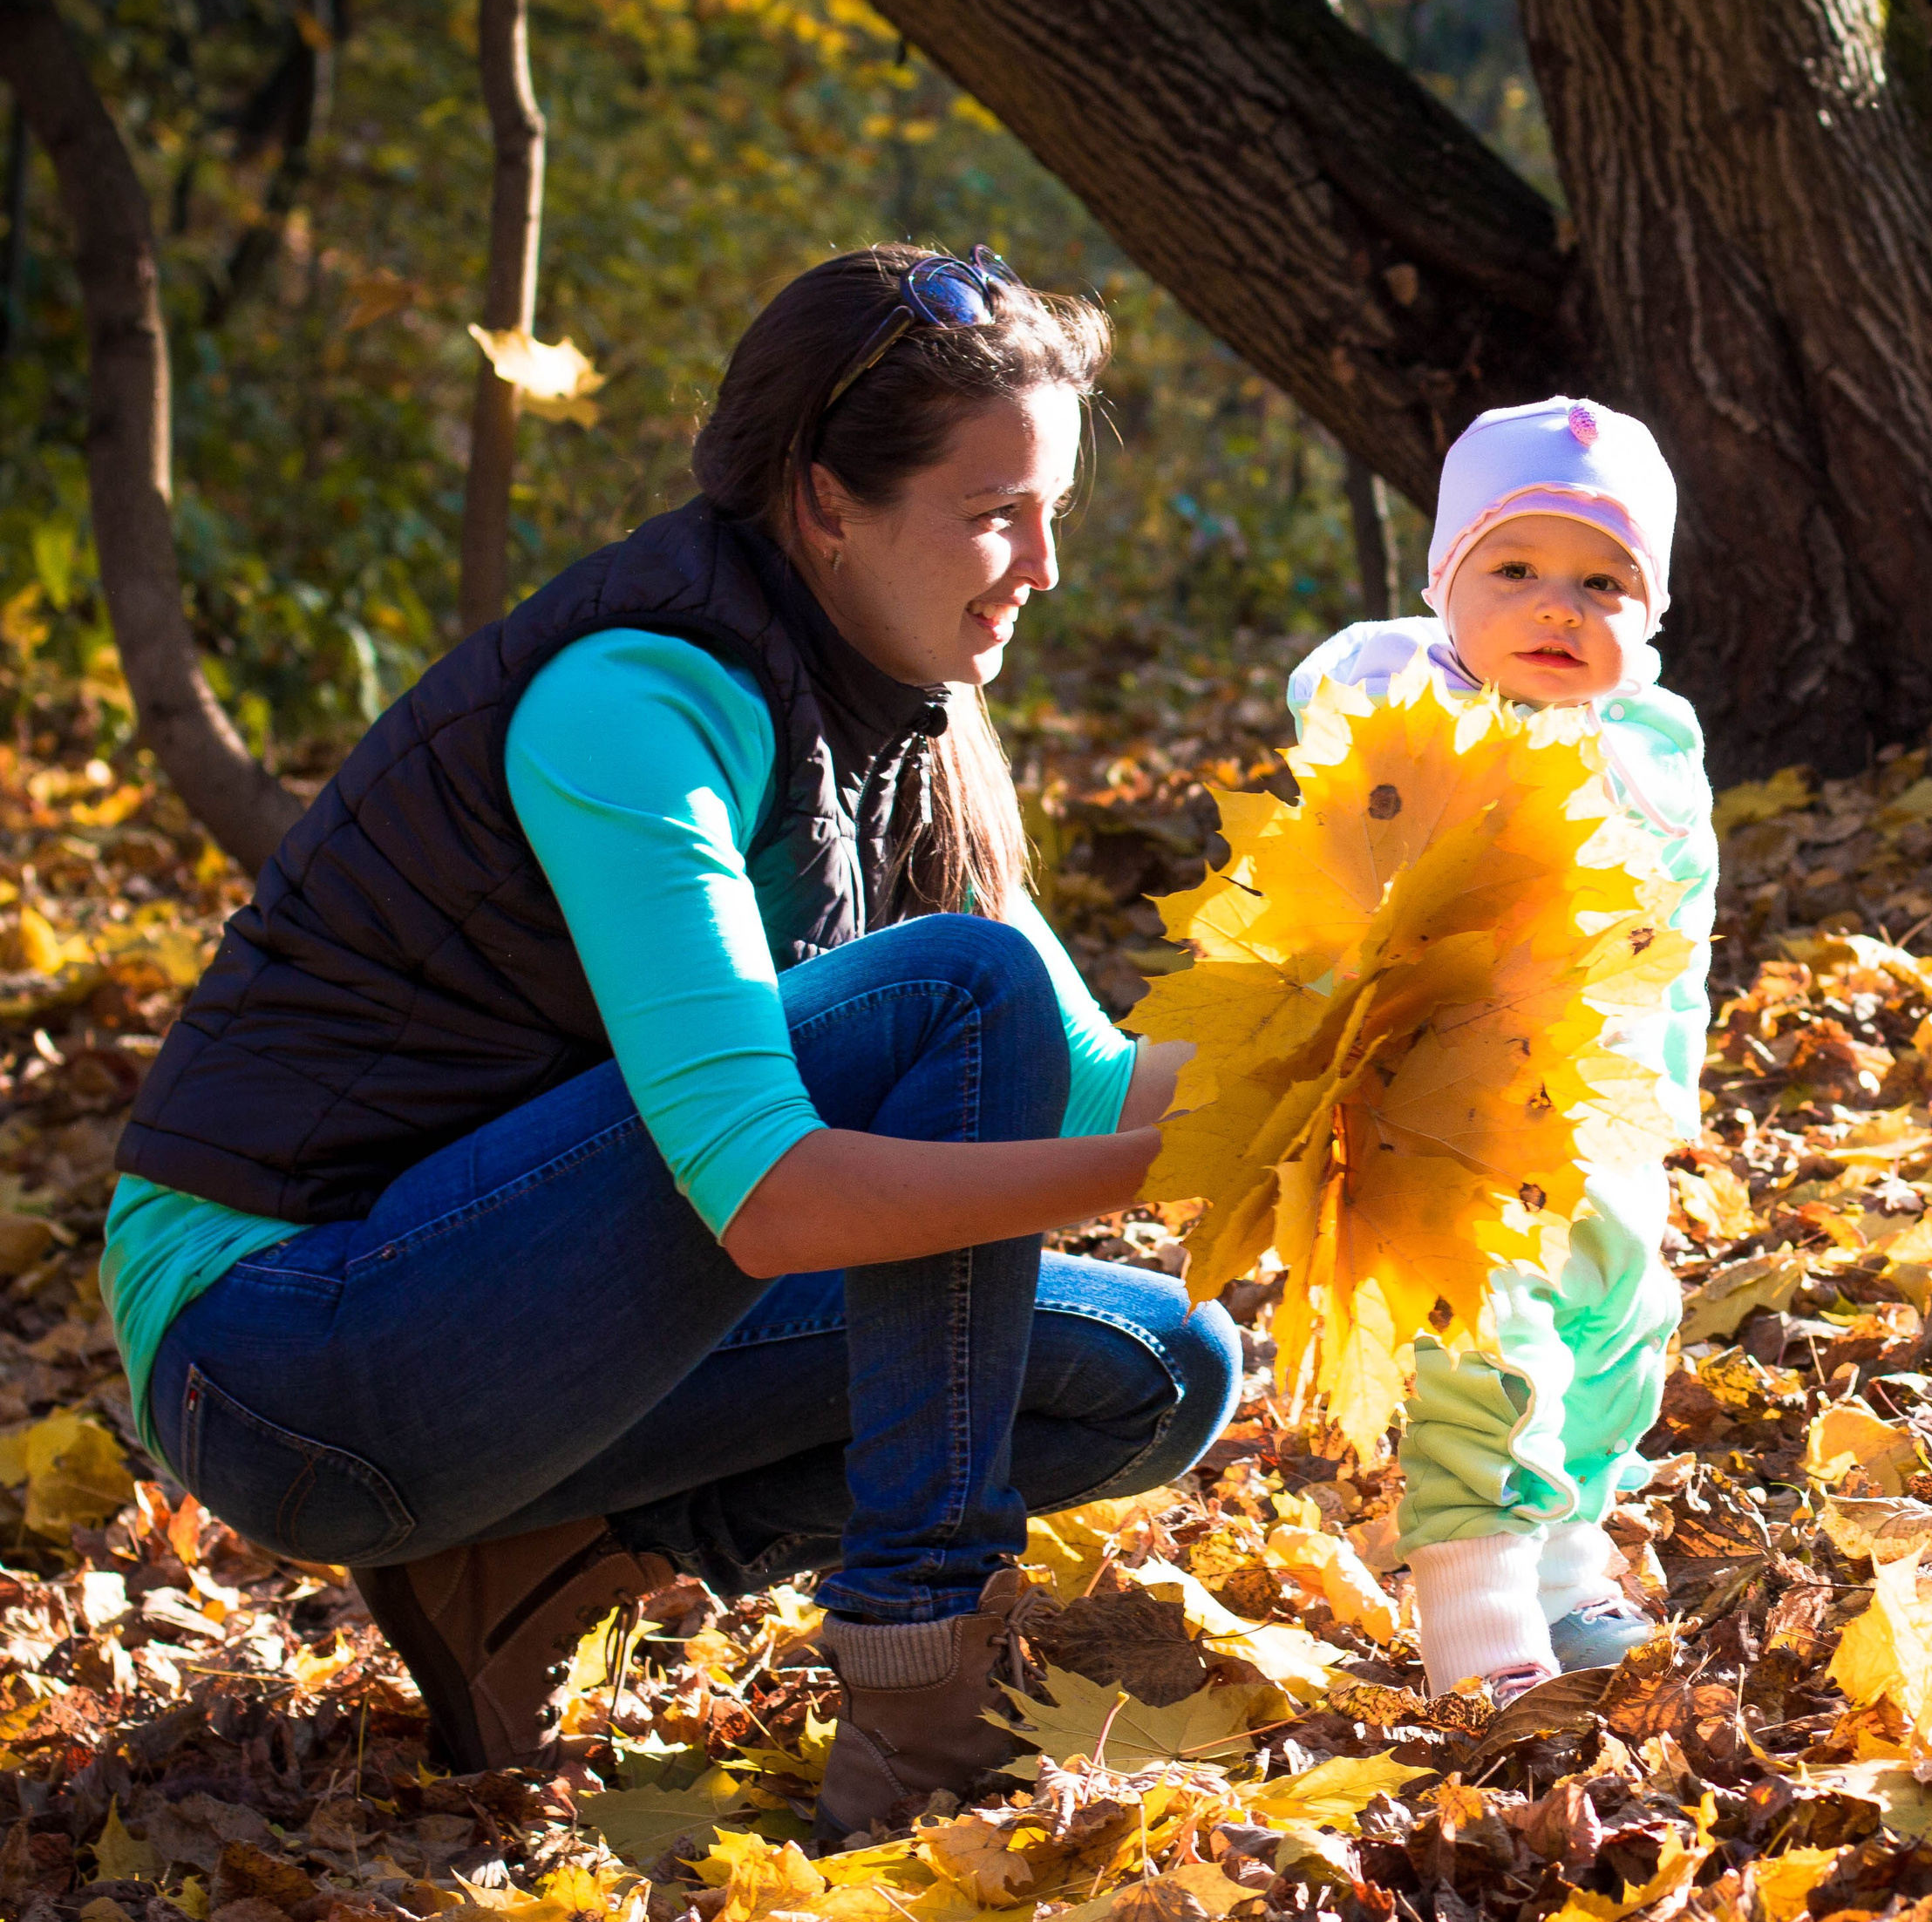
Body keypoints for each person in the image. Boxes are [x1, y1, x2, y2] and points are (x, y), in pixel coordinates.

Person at [98, 243, 1238, 1839]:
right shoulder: (634, 699)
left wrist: (1370, 1060)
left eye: (1054, 511)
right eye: (996, 512)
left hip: (506, 1323)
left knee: (1157, 1371)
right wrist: (1173, 1160)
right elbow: (771, 1197)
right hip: (277, 1345)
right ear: (826, 501)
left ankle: (536, 1568)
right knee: (959, 990)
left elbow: (1091, 1080)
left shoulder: (892, 716)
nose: (1044, 563)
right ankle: (919, 1706)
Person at [1285, 397, 1716, 1708]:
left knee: (1619, 1332)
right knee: (1490, 1349)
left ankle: (1571, 1564)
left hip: (1603, 1106)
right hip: (1454, 1114)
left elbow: (1683, 930)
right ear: (1443, 587)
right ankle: (1477, 1626)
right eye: (1514, 571)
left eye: (1604, 582)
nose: (1557, 608)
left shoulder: (1651, 751)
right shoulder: (1406, 714)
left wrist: (1673, 1091)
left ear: (1650, 613)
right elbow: (1332, 898)